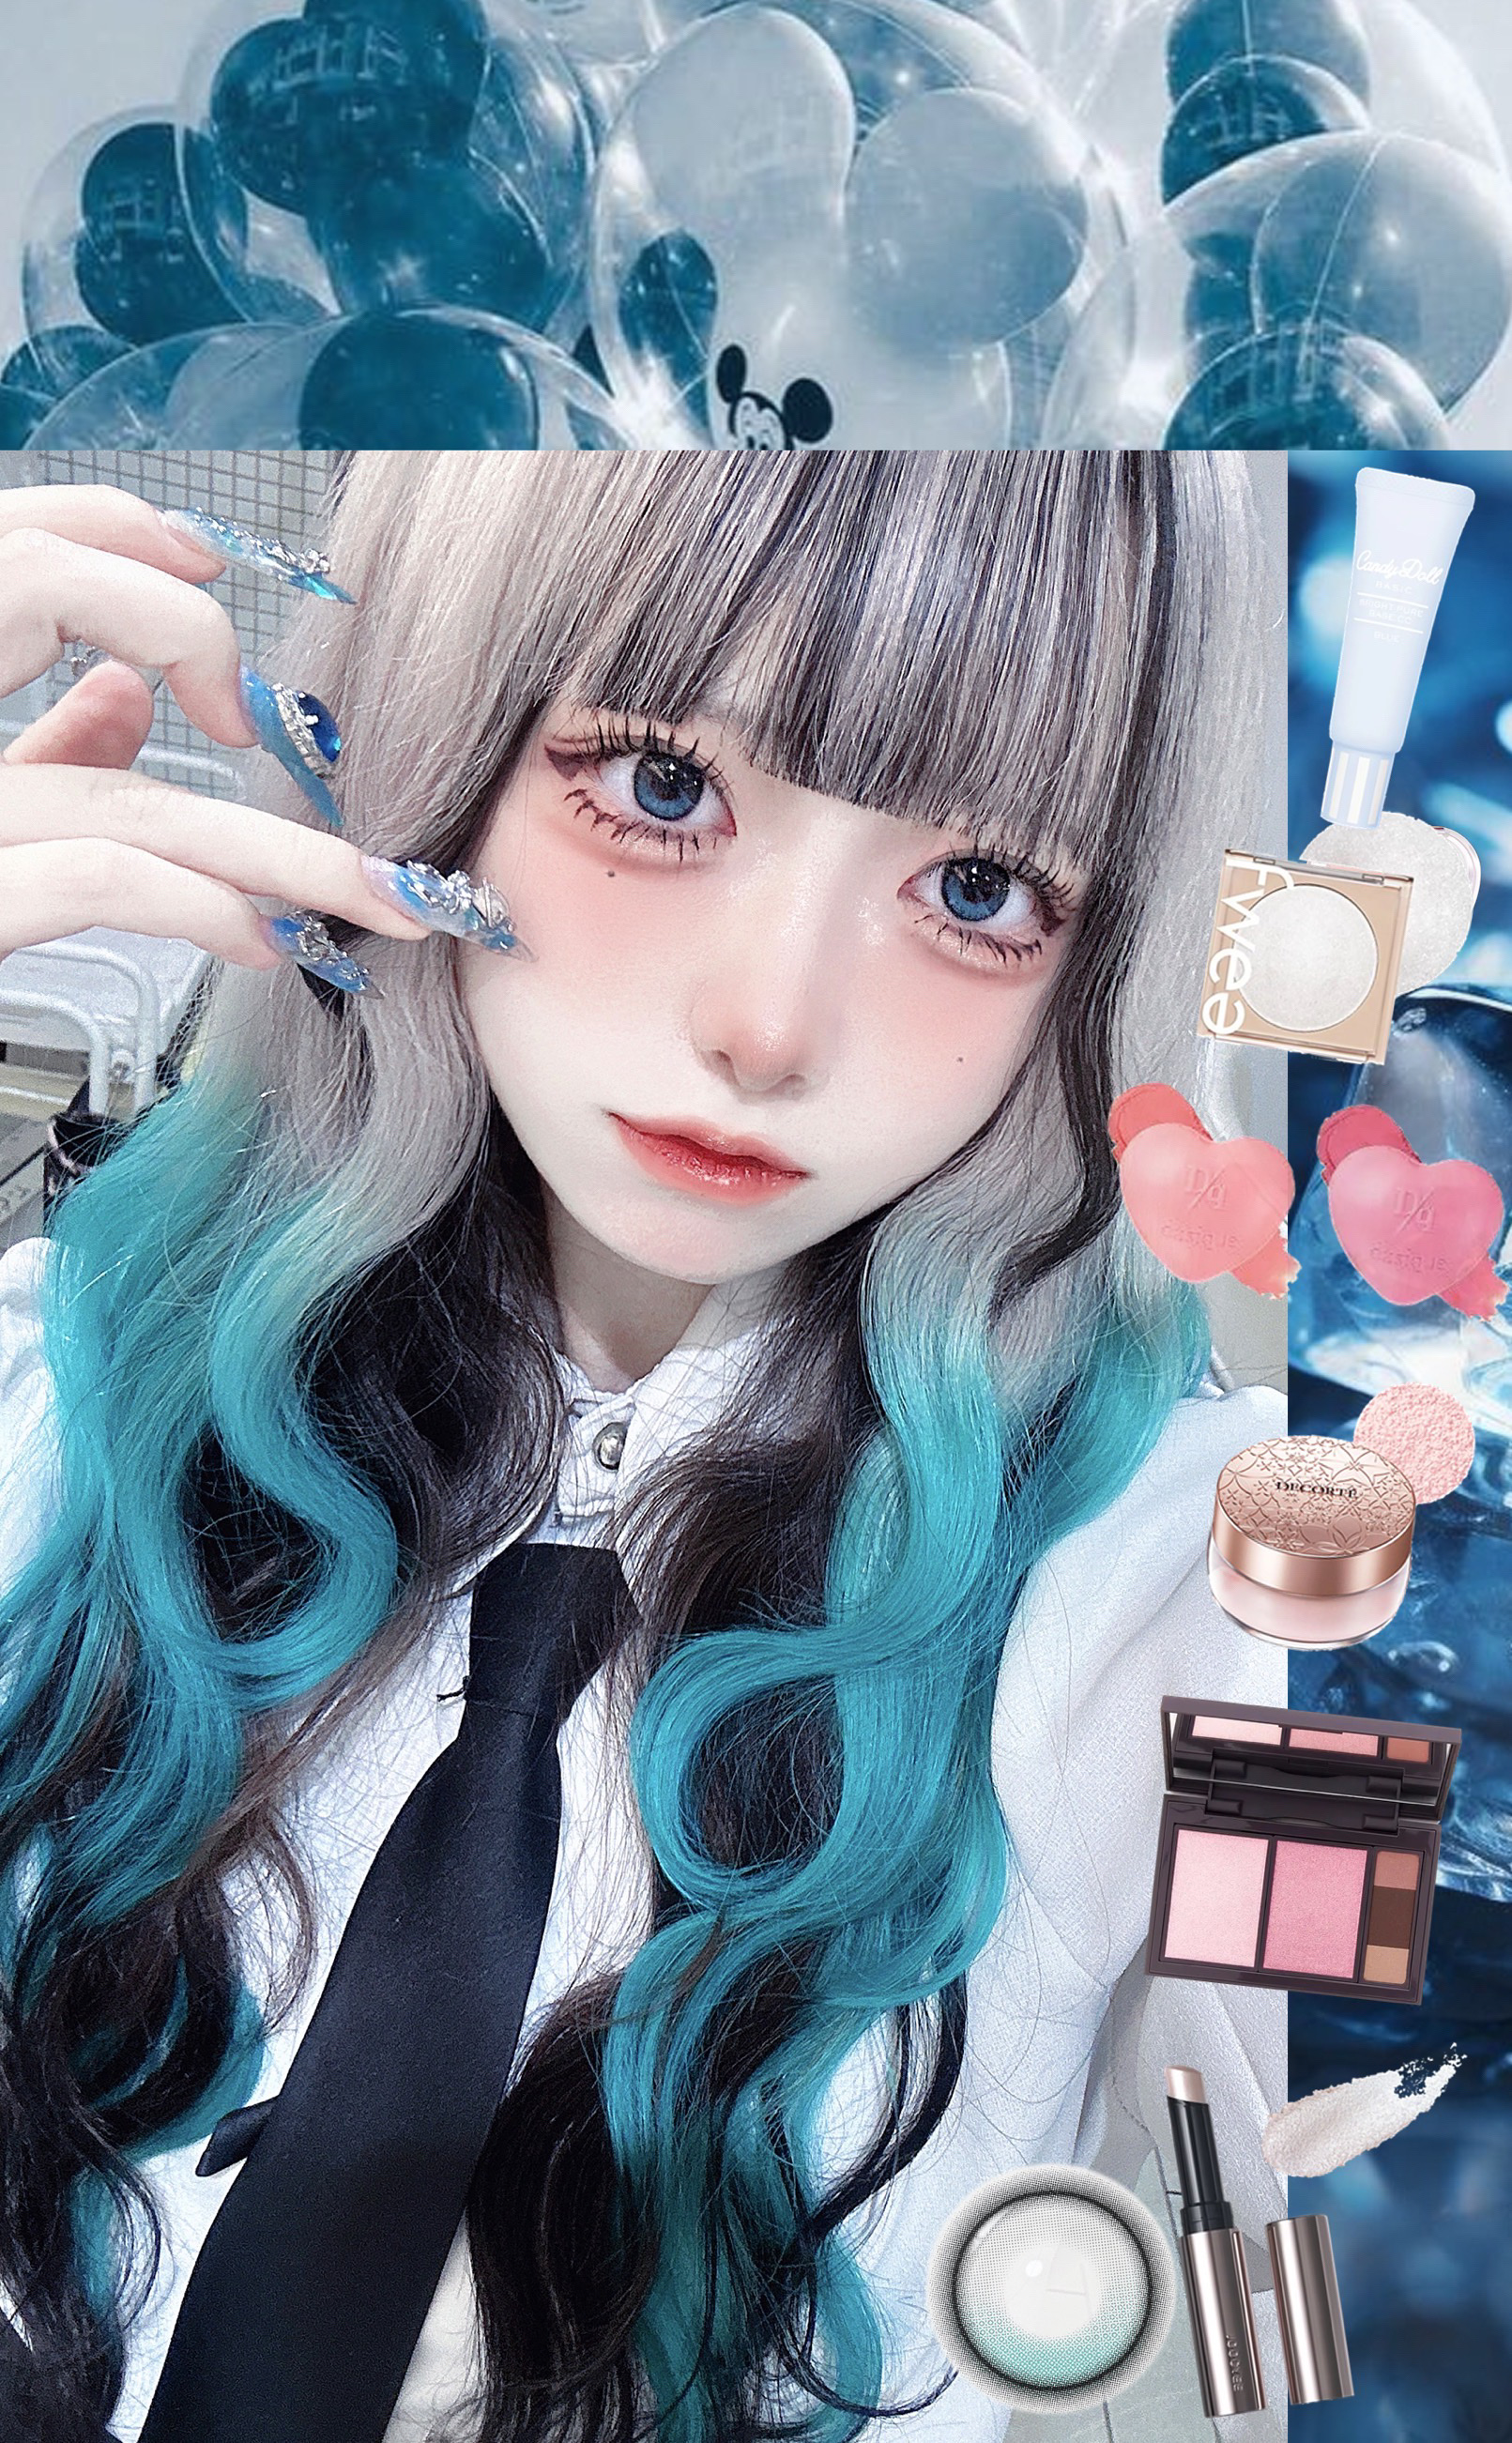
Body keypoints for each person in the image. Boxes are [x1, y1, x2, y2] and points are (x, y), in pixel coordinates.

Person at [0, 451, 1286, 2443]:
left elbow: (1357, 2270)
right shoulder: (51, 1390)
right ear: (434, 735)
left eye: (978, 889)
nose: (769, 1028)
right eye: (662, 786)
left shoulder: (1207, 1599)